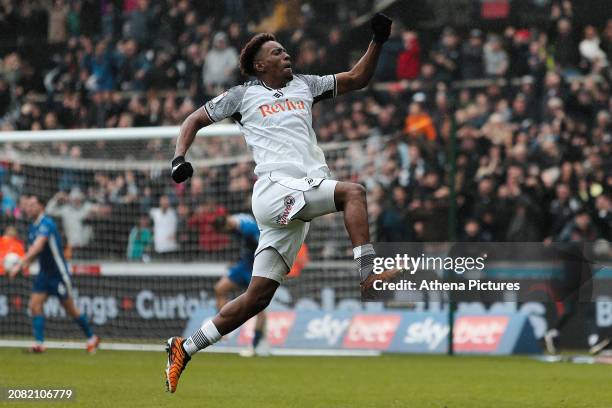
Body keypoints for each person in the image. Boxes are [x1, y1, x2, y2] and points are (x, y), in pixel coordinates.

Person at [164, 13, 397, 393]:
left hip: (296, 197)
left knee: (257, 298)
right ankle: (367, 274)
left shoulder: (306, 85)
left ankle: (184, 347)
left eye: (285, 50)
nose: (286, 55)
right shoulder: (243, 95)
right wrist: (179, 158)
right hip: (275, 187)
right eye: (277, 52)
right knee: (353, 192)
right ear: (260, 65)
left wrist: (378, 41)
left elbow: (357, 78)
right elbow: (192, 119)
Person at [8, 194, 100, 354]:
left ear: (41, 207)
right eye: (28, 205)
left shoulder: (47, 223)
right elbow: (34, 254)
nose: (29, 208)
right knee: (34, 305)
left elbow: (37, 247)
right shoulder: (33, 227)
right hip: (44, 273)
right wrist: (23, 266)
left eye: (32, 204)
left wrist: (19, 265)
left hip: (58, 273)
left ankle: (92, 338)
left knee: (70, 309)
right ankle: (39, 343)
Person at [212, 213, 266, 357]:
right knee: (219, 289)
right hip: (244, 264)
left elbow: (264, 245)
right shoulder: (234, 221)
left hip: (256, 268)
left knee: (259, 308)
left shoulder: (249, 229)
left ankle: (255, 345)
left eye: (224, 231)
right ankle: (222, 330)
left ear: (227, 225)